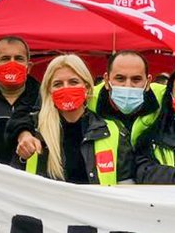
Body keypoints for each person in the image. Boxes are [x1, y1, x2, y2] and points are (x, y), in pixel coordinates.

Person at [12, 55, 132, 184]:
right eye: (58, 84)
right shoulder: (33, 129)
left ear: (86, 87)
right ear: (49, 91)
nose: (66, 88)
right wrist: (22, 156)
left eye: (73, 82)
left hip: (97, 203)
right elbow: (15, 183)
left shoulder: (112, 131)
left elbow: (126, 184)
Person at [90, 50, 165, 140]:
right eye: (120, 79)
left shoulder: (164, 102)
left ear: (148, 82)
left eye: (136, 79)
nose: (128, 86)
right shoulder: (89, 101)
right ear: (106, 80)